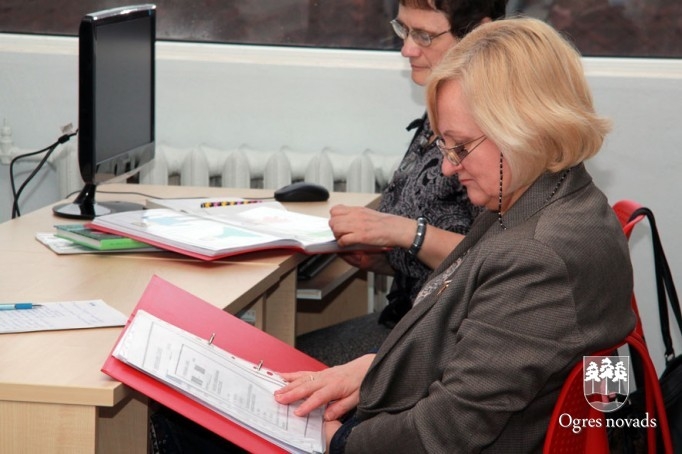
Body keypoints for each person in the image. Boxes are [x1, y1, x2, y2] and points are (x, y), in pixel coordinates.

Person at [275, 17, 637, 452]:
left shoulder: (537, 255)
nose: (448, 167)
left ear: (525, 129)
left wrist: (339, 442)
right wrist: (376, 369)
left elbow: (449, 429)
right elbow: (463, 337)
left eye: (461, 147)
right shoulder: (546, 198)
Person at [329, 0, 507, 327]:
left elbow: (500, 262)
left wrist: (403, 231)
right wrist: (384, 260)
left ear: (480, 34)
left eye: (424, 35)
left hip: (446, 334)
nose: (407, 49)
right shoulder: (446, 107)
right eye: (404, 30)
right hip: (414, 323)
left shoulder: (497, 126)